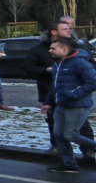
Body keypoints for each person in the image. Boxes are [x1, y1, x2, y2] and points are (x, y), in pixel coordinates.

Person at [24, 26, 95, 154]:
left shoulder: (78, 52)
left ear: (65, 49)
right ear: (54, 32)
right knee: (57, 129)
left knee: (77, 129)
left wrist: (74, 94)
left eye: (69, 27)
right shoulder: (39, 50)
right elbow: (28, 68)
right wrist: (46, 72)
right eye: (65, 28)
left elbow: (91, 77)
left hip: (75, 100)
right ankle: (65, 159)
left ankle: (89, 150)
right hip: (51, 93)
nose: (69, 30)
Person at [42, 37, 96, 173]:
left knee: (71, 135)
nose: (50, 50)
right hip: (61, 105)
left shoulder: (80, 63)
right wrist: (48, 102)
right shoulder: (57, 64)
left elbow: (92, 82)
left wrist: (73, 94)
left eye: (53, 48)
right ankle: (69, 164)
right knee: (59, 135)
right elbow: (55, 87)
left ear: (65, 49)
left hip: (78, 105)